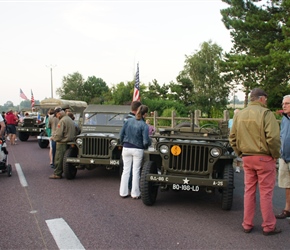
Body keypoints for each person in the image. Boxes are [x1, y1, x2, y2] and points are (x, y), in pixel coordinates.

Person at [229, 88, 281, 236]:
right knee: (266, 193)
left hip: (247, 157)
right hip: (264, 157)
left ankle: (247, 224)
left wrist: (240, 153)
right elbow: (273, 138)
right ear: (262, 98)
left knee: (249, 191)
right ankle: (268, 226)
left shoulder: (240, 114)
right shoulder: (266, 113)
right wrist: (275, 155)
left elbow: (232, 137)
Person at [119, 105, 151, 199]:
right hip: (138, 149)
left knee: (126, 170)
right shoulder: (144, 125)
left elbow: (121, 134)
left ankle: (123, 192)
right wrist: (147, 144)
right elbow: (145, 141)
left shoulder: (128, 121)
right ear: (145, 114)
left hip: (126, 147)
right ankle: (135, 193)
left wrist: (123, 143)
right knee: (136, 171)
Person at [49, 108, 76, 179]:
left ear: (58, 113)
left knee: (59, 158)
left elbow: (59, 134)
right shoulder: (69, 119)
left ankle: (57, 173)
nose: (57, 117)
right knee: (66, 159)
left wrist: (54, 138)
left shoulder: (62, 121)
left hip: (62, 142)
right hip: (70, 141)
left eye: (56, 115)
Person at [276, 94, 290, 220]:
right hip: (284, 157)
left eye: (287, 103)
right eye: (283, 104)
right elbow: (281, 136)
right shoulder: (285, 119)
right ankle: (287, 209)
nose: (284, 106)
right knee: (287, 184)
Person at [228, 109, 242, 173]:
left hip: (239, 139)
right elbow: (228, 130)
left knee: (238, 153)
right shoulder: (230, 121)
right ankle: (229, 166)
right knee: (229, 152)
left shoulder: (241, 121)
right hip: (231, 138)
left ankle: (238, 167)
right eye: (236, 113)